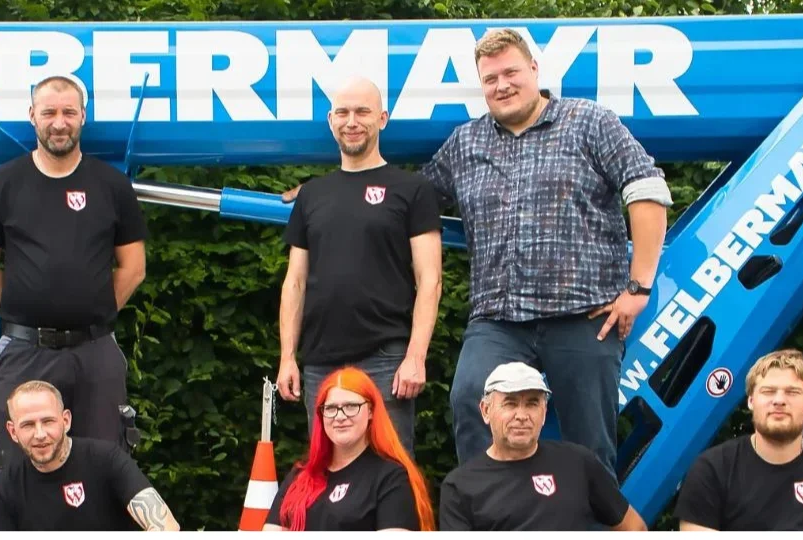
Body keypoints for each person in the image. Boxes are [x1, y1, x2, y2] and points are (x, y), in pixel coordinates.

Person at [420, 28, 673, 469]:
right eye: (490, 79)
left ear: (534, 69)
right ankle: (489, 508)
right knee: (471, 402)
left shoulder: (589, 121)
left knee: (589, 448)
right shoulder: (465, 143)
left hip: (585, 317)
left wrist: (639, 287)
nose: (502, 85)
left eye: (511, 73)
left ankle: (591, 512)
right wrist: (321, 194)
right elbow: (410, 202)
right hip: (498, 321)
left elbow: (647, 189)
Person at [0, 74, 149, 467]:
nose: (59, 122)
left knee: (103, 467)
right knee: (20, 470)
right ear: (32, 115)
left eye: (69, 112)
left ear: (83, 116)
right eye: (49, 112)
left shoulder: (112, 185)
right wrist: (26, 315)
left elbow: (133, 268)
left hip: (95, 353)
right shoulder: (2, 184)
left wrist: (92, 312)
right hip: (24, 353)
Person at [276, 76, 442, 454]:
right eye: (343, 113)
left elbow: (430, 279)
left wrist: (415, 357)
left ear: (382, 119)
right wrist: (287, 358)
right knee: (326, 468)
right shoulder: (312, 195)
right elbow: (294, 283)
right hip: (320, 362)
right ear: (331, 120)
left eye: (363, 112)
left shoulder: (412, 190)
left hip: (387, 360)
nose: (352, 121)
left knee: (392, 469)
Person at [676, 350, 803, 531]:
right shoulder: (712, 469)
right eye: (768, 391)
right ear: (751, 401)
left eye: (792, 392)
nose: (779, 400)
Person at [439, 362, 647, 531]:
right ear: (486, 410)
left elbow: (634, 528)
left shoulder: (577, 462)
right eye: (510, 403)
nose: (522, 416)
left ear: (544, 411)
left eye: (532, 403)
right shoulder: (460, 487)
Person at [0, 380, 180, 531]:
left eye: (48, 421)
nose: (40, 434)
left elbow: (167, 527)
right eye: (28, 425)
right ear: (13, 431)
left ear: (66, 421)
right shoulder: (6, 485)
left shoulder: (106, 460)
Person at [263, 366, 436, 532]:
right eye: (331, 408)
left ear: (371, 411)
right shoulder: (301, 475)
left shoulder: (391, 477)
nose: (340, 416)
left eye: (351, 406)